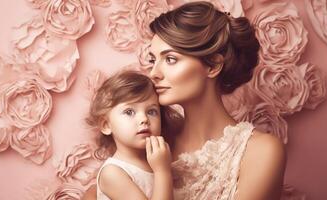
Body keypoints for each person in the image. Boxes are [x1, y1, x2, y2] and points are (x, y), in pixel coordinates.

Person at [83, 1, 286, 200]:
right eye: (153, 60)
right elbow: (99, 190)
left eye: (170, 59)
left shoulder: (261, 151)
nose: (154, 73)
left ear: (213, 66)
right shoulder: (150, 137)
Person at [86, 70, 181, 200]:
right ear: (106, 125)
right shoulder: (112, 173)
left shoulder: (160, 158)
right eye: (129, 112)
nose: (144, 119)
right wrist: (162, 171)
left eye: (152, 111)